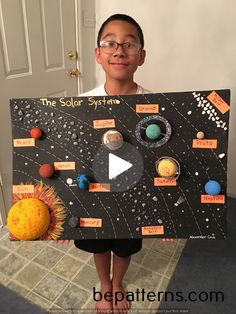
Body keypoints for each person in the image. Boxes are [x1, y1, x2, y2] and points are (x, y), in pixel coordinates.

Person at [75, 14, 149, 314]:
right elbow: (72, 159)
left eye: (129, 44)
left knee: (125, 245)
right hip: (96, 195)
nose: (119, 50)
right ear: (98, 54)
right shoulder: (81, 104)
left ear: (141, 56)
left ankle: (117, 283)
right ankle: (104, 286)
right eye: (110, 43)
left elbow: (167, 161)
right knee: (99, 243)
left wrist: (173, 215)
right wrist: (65, 213)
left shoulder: (158, 104)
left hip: (134, 197)